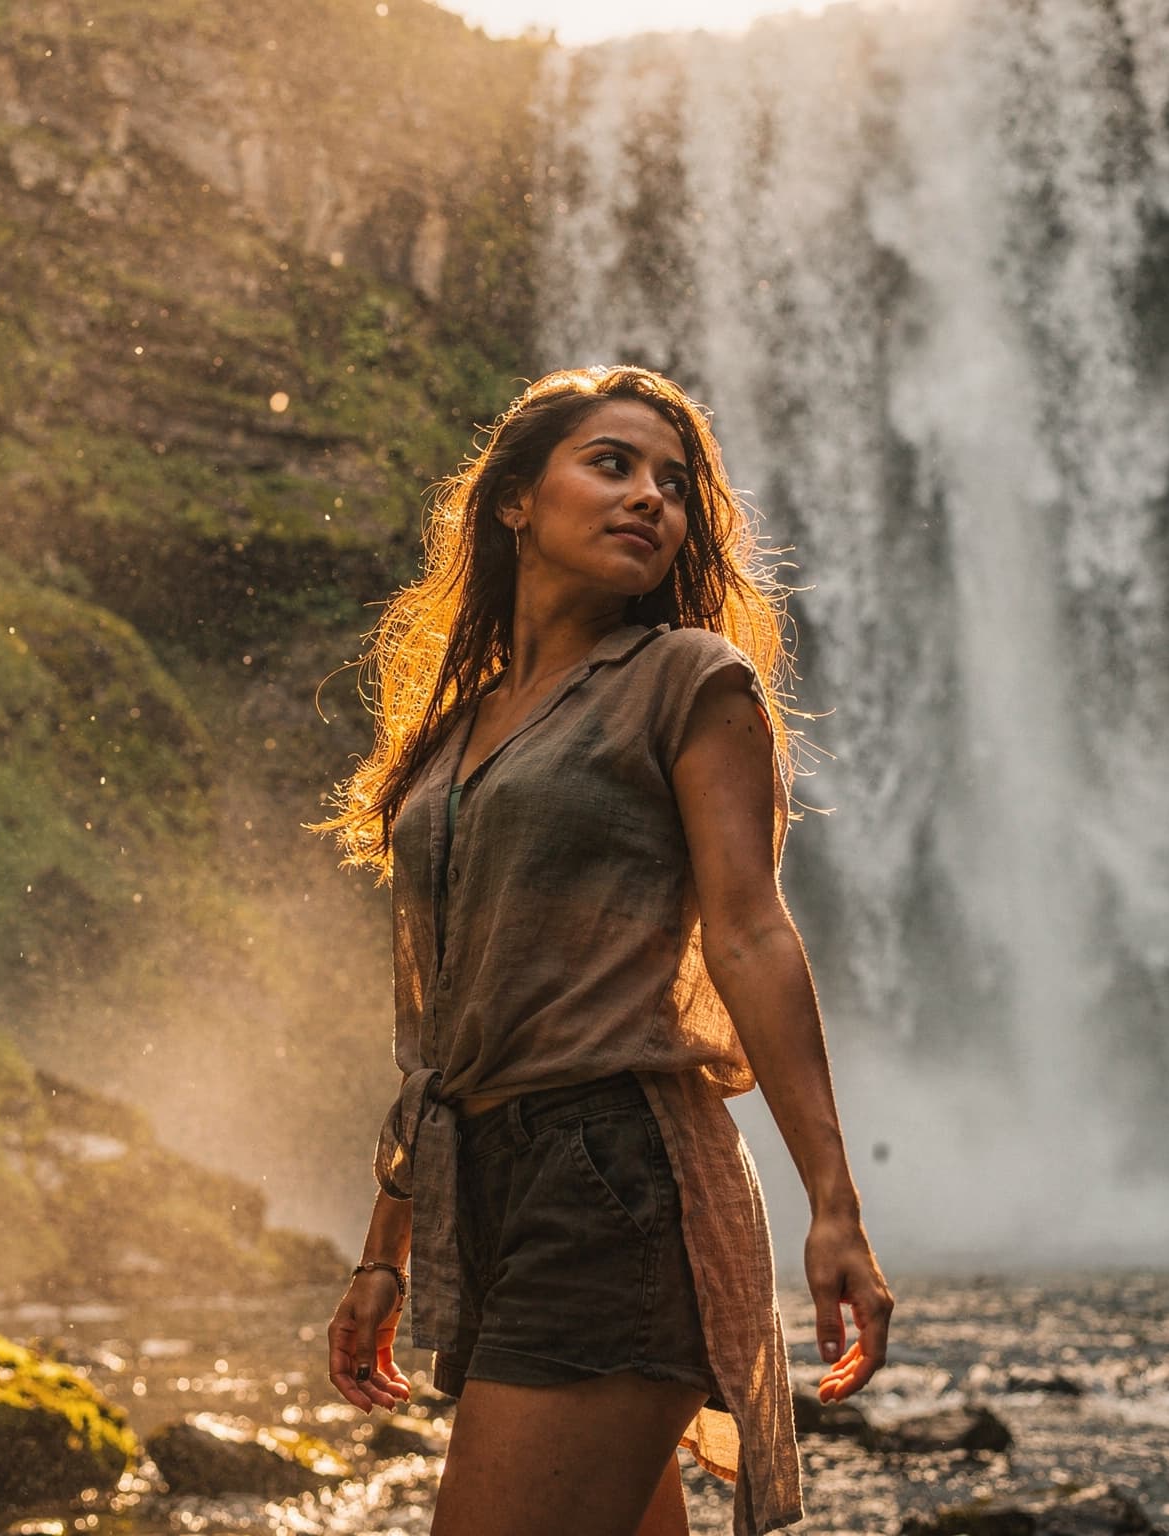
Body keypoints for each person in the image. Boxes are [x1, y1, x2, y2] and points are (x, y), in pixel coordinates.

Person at [313, 365, 894, 1536]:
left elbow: (748, 932)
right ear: (513, 500)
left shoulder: (686, 679)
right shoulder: (449, 735)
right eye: (612, 464)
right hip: (487, 1182)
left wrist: (835, 1202)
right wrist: (388, 1248)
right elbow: (443, 1024)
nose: (650, 500)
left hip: (613, 1175)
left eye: (674, 485)